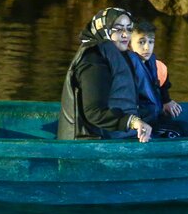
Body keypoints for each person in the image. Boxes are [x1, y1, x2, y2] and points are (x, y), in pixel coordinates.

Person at [57, 7, 153, 142]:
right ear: (103, 29)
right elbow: (94, 112)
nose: (126, 35)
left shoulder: (118, 54)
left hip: (116, 134)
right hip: (92, 140)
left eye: (129, 29)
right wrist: (132, 122)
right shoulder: (94, 60)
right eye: (118, 29)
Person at [127, 20, 185, 127]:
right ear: (129, 45)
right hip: (135, 120)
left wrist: (166, 100)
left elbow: (164, 86)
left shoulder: (159, 67)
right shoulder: (124, 68)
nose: (147, 47)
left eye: (151, 42)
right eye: (141, 42)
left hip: (154, 116)